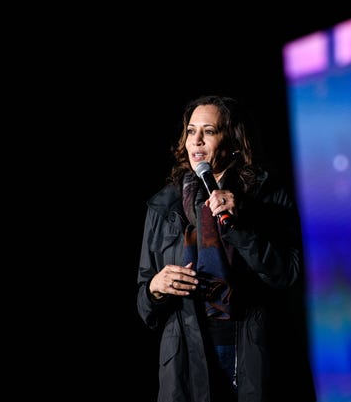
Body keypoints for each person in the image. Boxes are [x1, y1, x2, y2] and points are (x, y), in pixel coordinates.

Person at [136, 95, 317, 402]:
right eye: (191, 131)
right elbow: (144, 307)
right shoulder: (163, 207)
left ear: (232, 140)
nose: (197, 140)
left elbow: (288, 275)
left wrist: (240, 226)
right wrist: (155, 287)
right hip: (185, 362)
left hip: (251, 352)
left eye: (209, 131)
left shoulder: (267, 198)